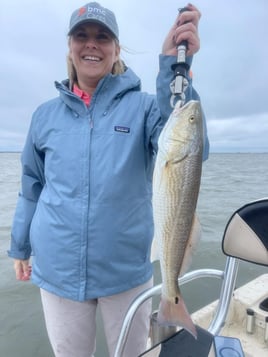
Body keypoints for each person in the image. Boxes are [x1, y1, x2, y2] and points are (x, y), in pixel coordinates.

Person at [8, 2, 209, 357]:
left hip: (125, 271)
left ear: (116, 48)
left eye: (103, 37)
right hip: (58, 270)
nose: (91, 45)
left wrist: (173, 65)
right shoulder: (44, 116)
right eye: (81, 36)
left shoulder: (146, 108)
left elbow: (193, 149)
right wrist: (21, 246)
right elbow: (31, 186)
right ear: (70, 46)